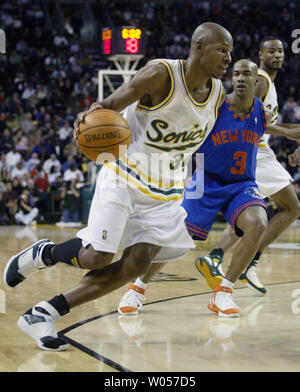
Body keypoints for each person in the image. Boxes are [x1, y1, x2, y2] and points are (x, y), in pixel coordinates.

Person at [3, 22, 232, 351]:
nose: (228, 57)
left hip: (166, 191)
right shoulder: (160, 74)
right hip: (124, 175)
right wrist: (87, 119)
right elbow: (107, 104)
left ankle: (43, 313)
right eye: (222, 49)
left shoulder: (218, 93)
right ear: (198, 47)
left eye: (230, 51)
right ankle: (45, 253)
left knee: (138, 263)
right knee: (98, 256)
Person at [117, 59, 300, 317]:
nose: (239, 78)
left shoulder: (260, 110)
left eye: (246, 74)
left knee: (257, 222)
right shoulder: (216, 106)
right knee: (177, 236)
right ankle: (137, 288)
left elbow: (276, 128)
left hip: (241, 184)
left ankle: (223, 293)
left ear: (257, 81)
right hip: (205, 179)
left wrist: (293, 138)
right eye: (235, 73)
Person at [195, 37, 300, 295]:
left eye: (280, 51)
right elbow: (243, 115)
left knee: (250, 214)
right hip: (253, 152)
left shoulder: (267, 82)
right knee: (291, 207)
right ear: (260, 54)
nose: (277, 55)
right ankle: (248, 262)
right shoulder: (261, 80)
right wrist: (288, 134)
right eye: (271, 51)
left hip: (254, 151)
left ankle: (217, 256)